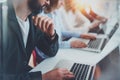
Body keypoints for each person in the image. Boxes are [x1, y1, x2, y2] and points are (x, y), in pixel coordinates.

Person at [1, 0, 74, 80]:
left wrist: (51, 35)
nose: (48, 3)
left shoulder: (33, 20)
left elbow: (51, 52)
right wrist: (44, 77)